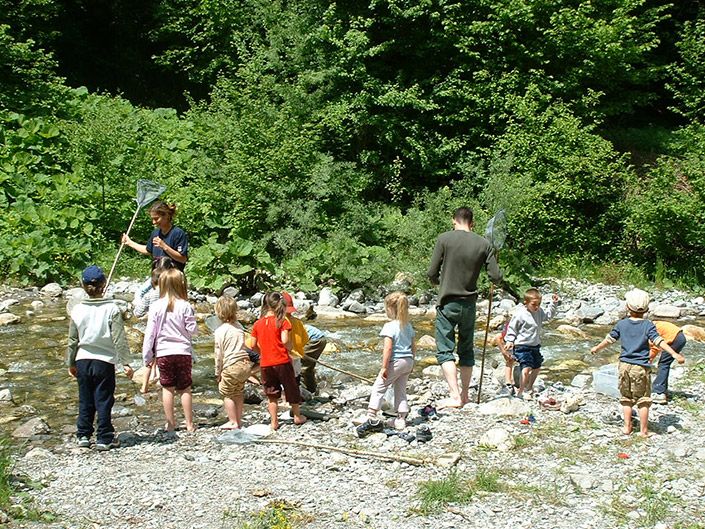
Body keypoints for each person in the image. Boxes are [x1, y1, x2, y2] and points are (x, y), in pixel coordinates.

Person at [427, 206, 503, 407]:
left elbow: (431, 271)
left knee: (445, 350)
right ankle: (466, 395)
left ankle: (455, 396)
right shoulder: (484, 244)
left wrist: (437, 282)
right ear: (473, 222)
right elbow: (496, 277)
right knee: (466, 350)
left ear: (454, 220)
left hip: (447, 302)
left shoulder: (444, 239)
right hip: (469, 305)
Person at [591, 289, 685, 437]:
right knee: (643, 400)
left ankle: (627, 427)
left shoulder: (621, 324)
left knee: (626, 398)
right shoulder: (648, 325)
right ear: (647, 309)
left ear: (627, 308)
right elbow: (658, 341)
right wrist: (674, 353)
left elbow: (609, 339)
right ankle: (643, 431)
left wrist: (597, 348)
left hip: (624, 366)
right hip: (640, 367)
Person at [67, 265, 134, 450]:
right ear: (104, 286)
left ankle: (83, 435)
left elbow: (73, 340)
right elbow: (119, 338)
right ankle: (104, 437)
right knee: (104, 399)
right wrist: (125, 362)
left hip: (82, 360)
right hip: (104, 362)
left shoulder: (77, 310)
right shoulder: (111, 309)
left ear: (83, 285)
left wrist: (70, 362)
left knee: (85, 399)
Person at [143, 268, 198, 432]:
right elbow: (193, 330)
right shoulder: (185, 305)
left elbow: (150, 334)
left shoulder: (155, 307)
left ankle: (170, 424)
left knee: (167, 388)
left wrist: (147, 357)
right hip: (183, 352)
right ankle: (189, 424)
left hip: (164, 353)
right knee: (185, 388)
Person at [357, 292, 416, 437]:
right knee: (400, 389)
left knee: (379, 387)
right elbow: (414, 346)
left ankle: (371, 415)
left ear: (390, 309)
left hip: (395, 362)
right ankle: (401, 419)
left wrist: (384, 367)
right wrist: (412, 362)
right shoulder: (408, 326)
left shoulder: (389, 326)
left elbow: (388, 348)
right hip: (408, 361)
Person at [249, 292, 307, 430]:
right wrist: (290, 347)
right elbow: (285, 340)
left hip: (266, 364)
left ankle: (274, 422)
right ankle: (297, 416)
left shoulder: (258, 324)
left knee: (272, 394)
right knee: (291, 388)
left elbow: (252, 345)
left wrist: (261, 353)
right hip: (282, 361)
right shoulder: (282, 321)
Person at [504, 289, 560, 400]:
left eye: (539, 304)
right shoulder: (520, 314)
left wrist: (554, 304)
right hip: (522, 346)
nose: (536, 307)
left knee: (537, 366)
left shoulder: (539, 312)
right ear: (526, 302)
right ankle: (520, 391)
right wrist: (510, 341)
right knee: (526, 367)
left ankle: (529, 388)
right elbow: (512, 328)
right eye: (533, 304)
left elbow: (548, 316)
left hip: (535, 345)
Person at [214, 296, 252, 429]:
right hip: (245, 364)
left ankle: (232, 421)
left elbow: (219, 355)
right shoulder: (239, 326)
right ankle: (239, 420)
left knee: (227, 393)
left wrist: (217, 373)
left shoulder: (220, 331)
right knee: (238, 391)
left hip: (231, 366)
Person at [122, 201, 188, 272]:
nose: (153, 222)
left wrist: (164, 246)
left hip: (172, 277)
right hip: (157, 276)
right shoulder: (155, 233)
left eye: (156, 219)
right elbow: (148, 250)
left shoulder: (178, 233)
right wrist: (129, 242)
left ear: (167, 215)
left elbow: (182, 259)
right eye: (152, 219)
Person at [649, 321, 687, 404]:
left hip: (675, 339)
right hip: (680, 337)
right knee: (665, 363)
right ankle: (663, 390)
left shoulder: (652, 329)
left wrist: (649, 359)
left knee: (663, 364)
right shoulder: (655, 324)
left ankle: (659, 393)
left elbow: (655, 347)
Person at [281, 291, 308, 386]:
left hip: (285, 356)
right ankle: (296, 398)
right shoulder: (298, 322)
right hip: (297, 355)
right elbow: (305, 339)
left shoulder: (281, 322)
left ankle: (285, 399)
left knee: (285, 381)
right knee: (295, 379)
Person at [302, 312, 327, 394]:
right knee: (308, 366)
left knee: (302, 366)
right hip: (318, 337)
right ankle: (312, 389)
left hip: (315, 339)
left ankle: (306, 391)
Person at [496, 318, 515, 395]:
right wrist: (504, 352)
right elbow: (498, 337)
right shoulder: (510, 328)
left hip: (521, 343)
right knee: (509, 361)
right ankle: (508, 383)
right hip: (510, 343)